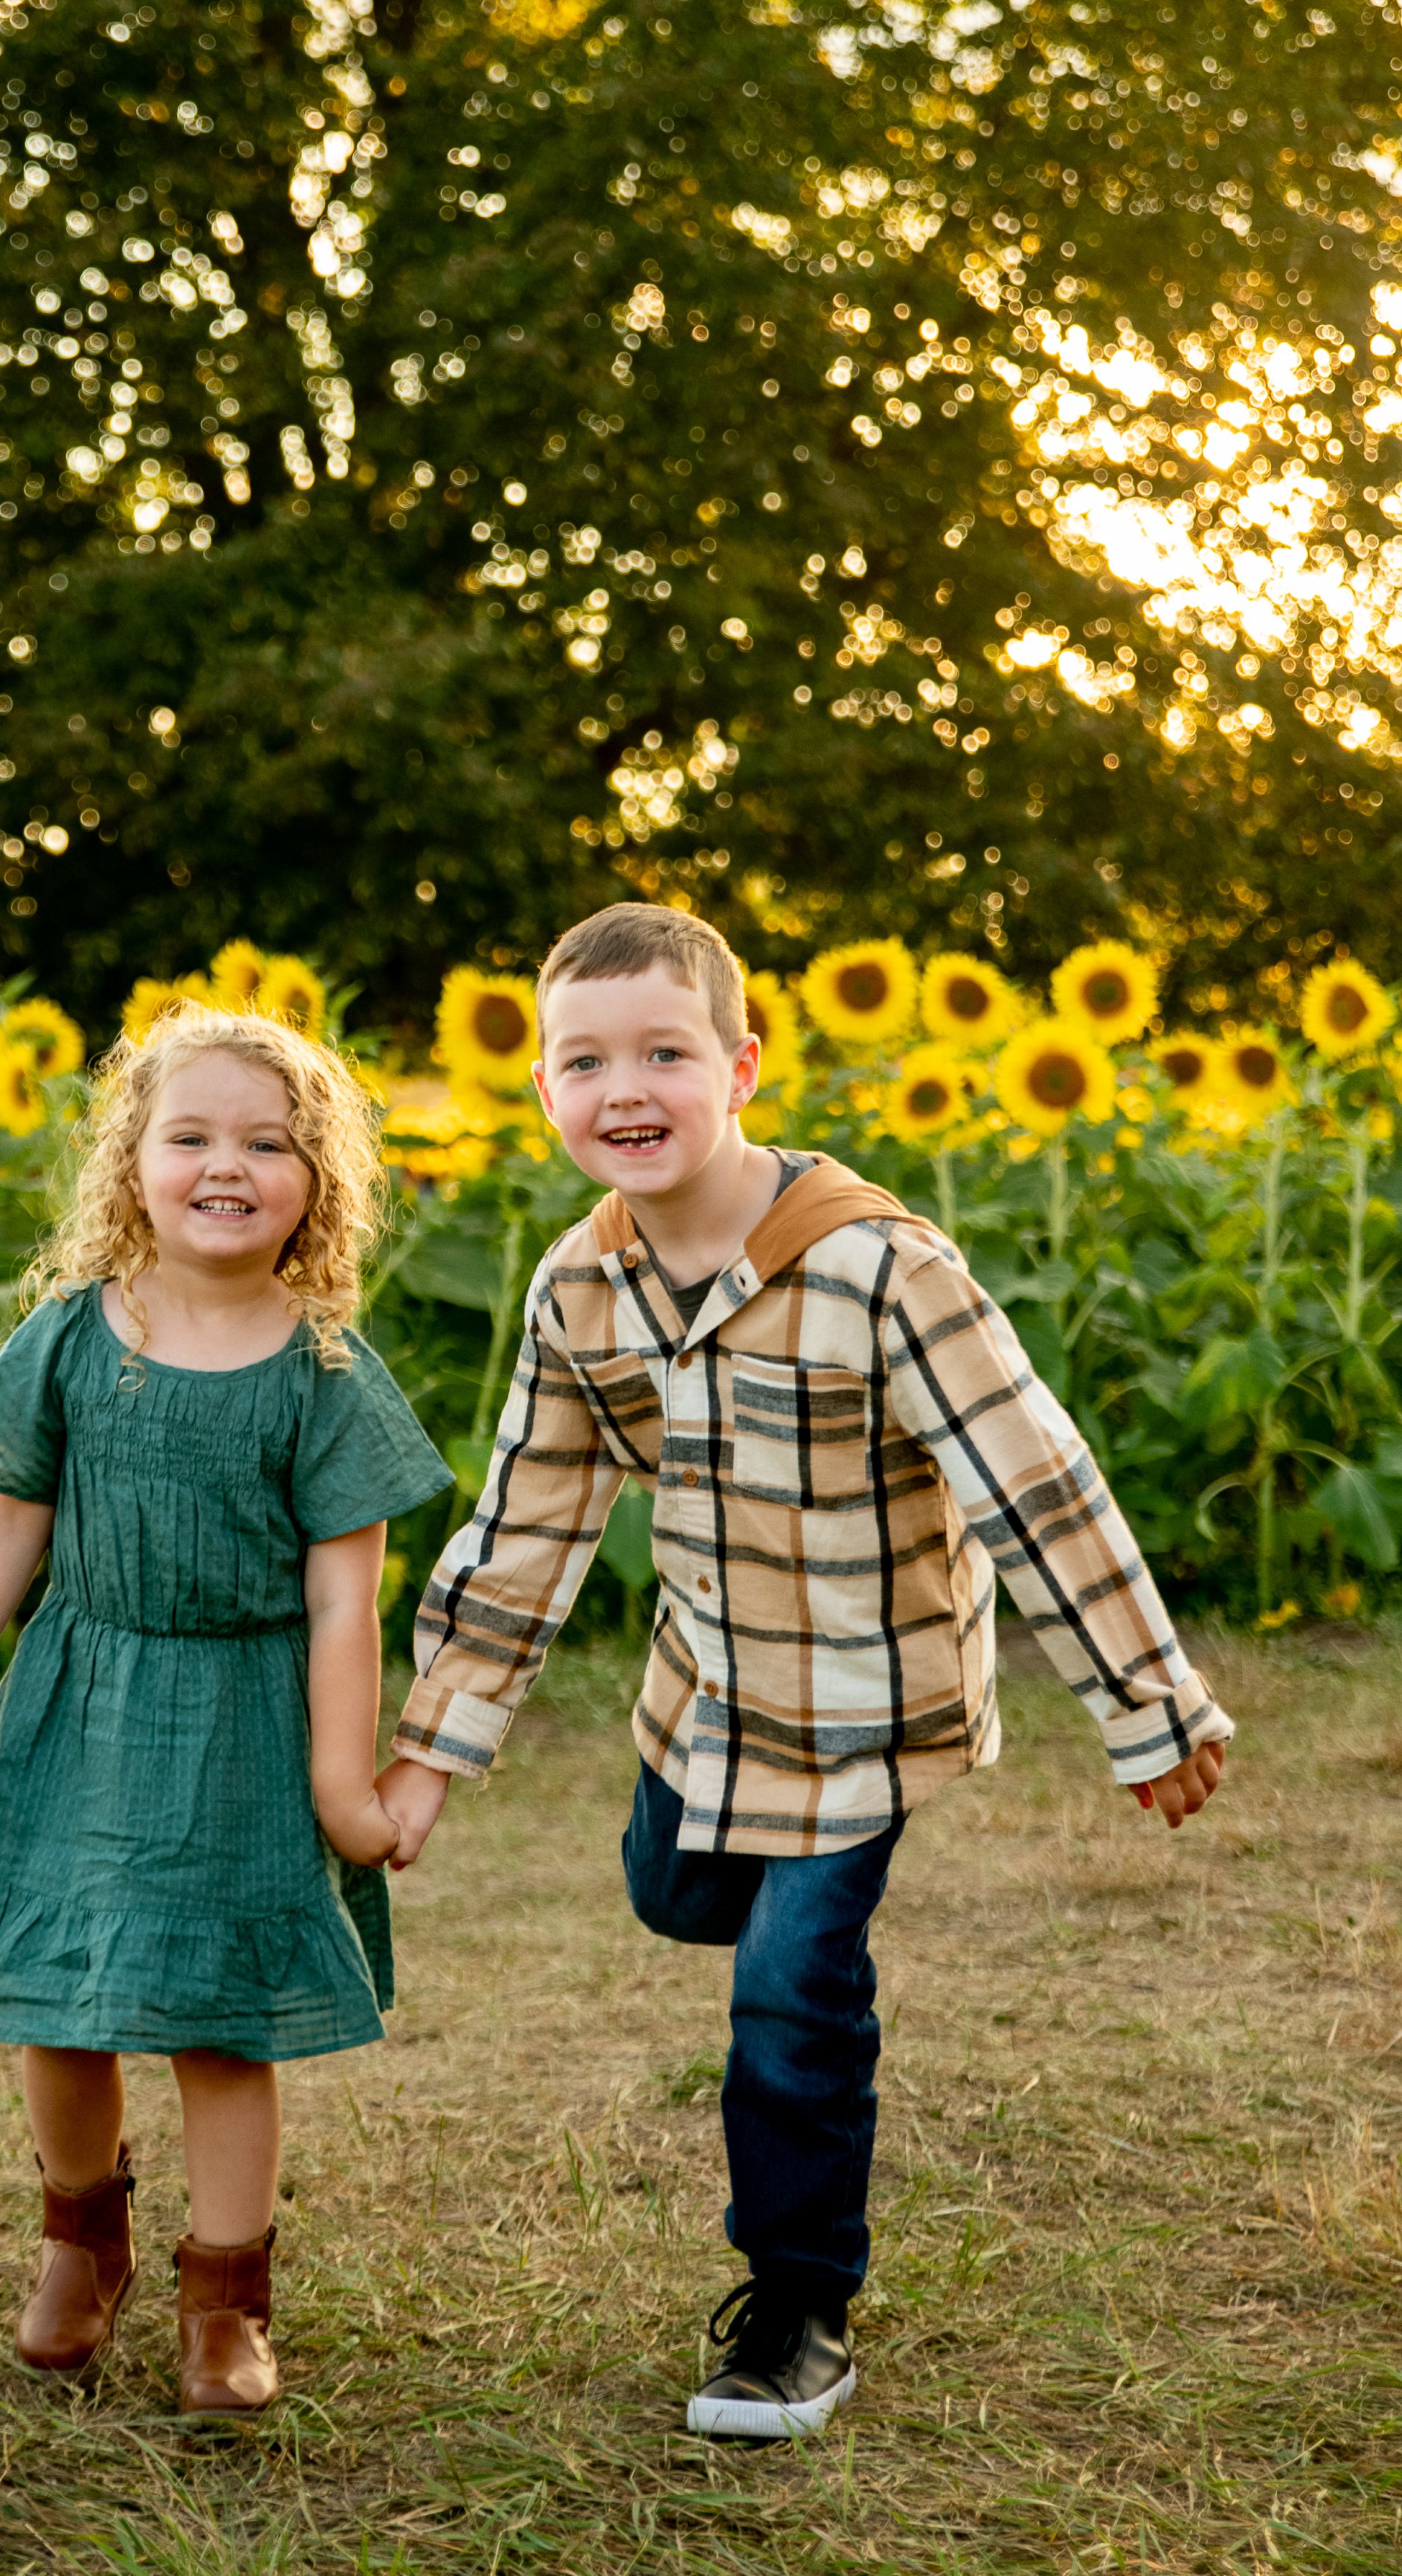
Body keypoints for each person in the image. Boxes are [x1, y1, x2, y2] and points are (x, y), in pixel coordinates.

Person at [378, 904, 1230, 2440]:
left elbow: (1034, 1480)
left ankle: (795, 2309)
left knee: (788, 1988)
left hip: (863, 1708)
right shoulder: (579, 1289)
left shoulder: (879, 1268)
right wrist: (432, 1747)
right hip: (702, 1701)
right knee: (674, 1896)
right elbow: (525, 1522)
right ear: (543, 1091)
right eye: (582, 1059)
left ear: (741, 1065)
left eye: (662, 1051)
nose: (621, 1086)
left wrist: (1143, 1704)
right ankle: (758, 1940)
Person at [0, 1003, 450, 2415]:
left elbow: (343, 1605)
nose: (225, 1165)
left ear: (315, 1182)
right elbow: (7, 1521)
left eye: (267, 1143)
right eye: (188, 1135)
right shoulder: (77, 1337)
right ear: (130, 1163)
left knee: (222, 2020)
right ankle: (83, 2242)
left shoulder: (322, 1374)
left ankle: (226, 2297)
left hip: (244, 1729)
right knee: (59, 1999)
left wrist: (341, 1785)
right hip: (79, 1700)